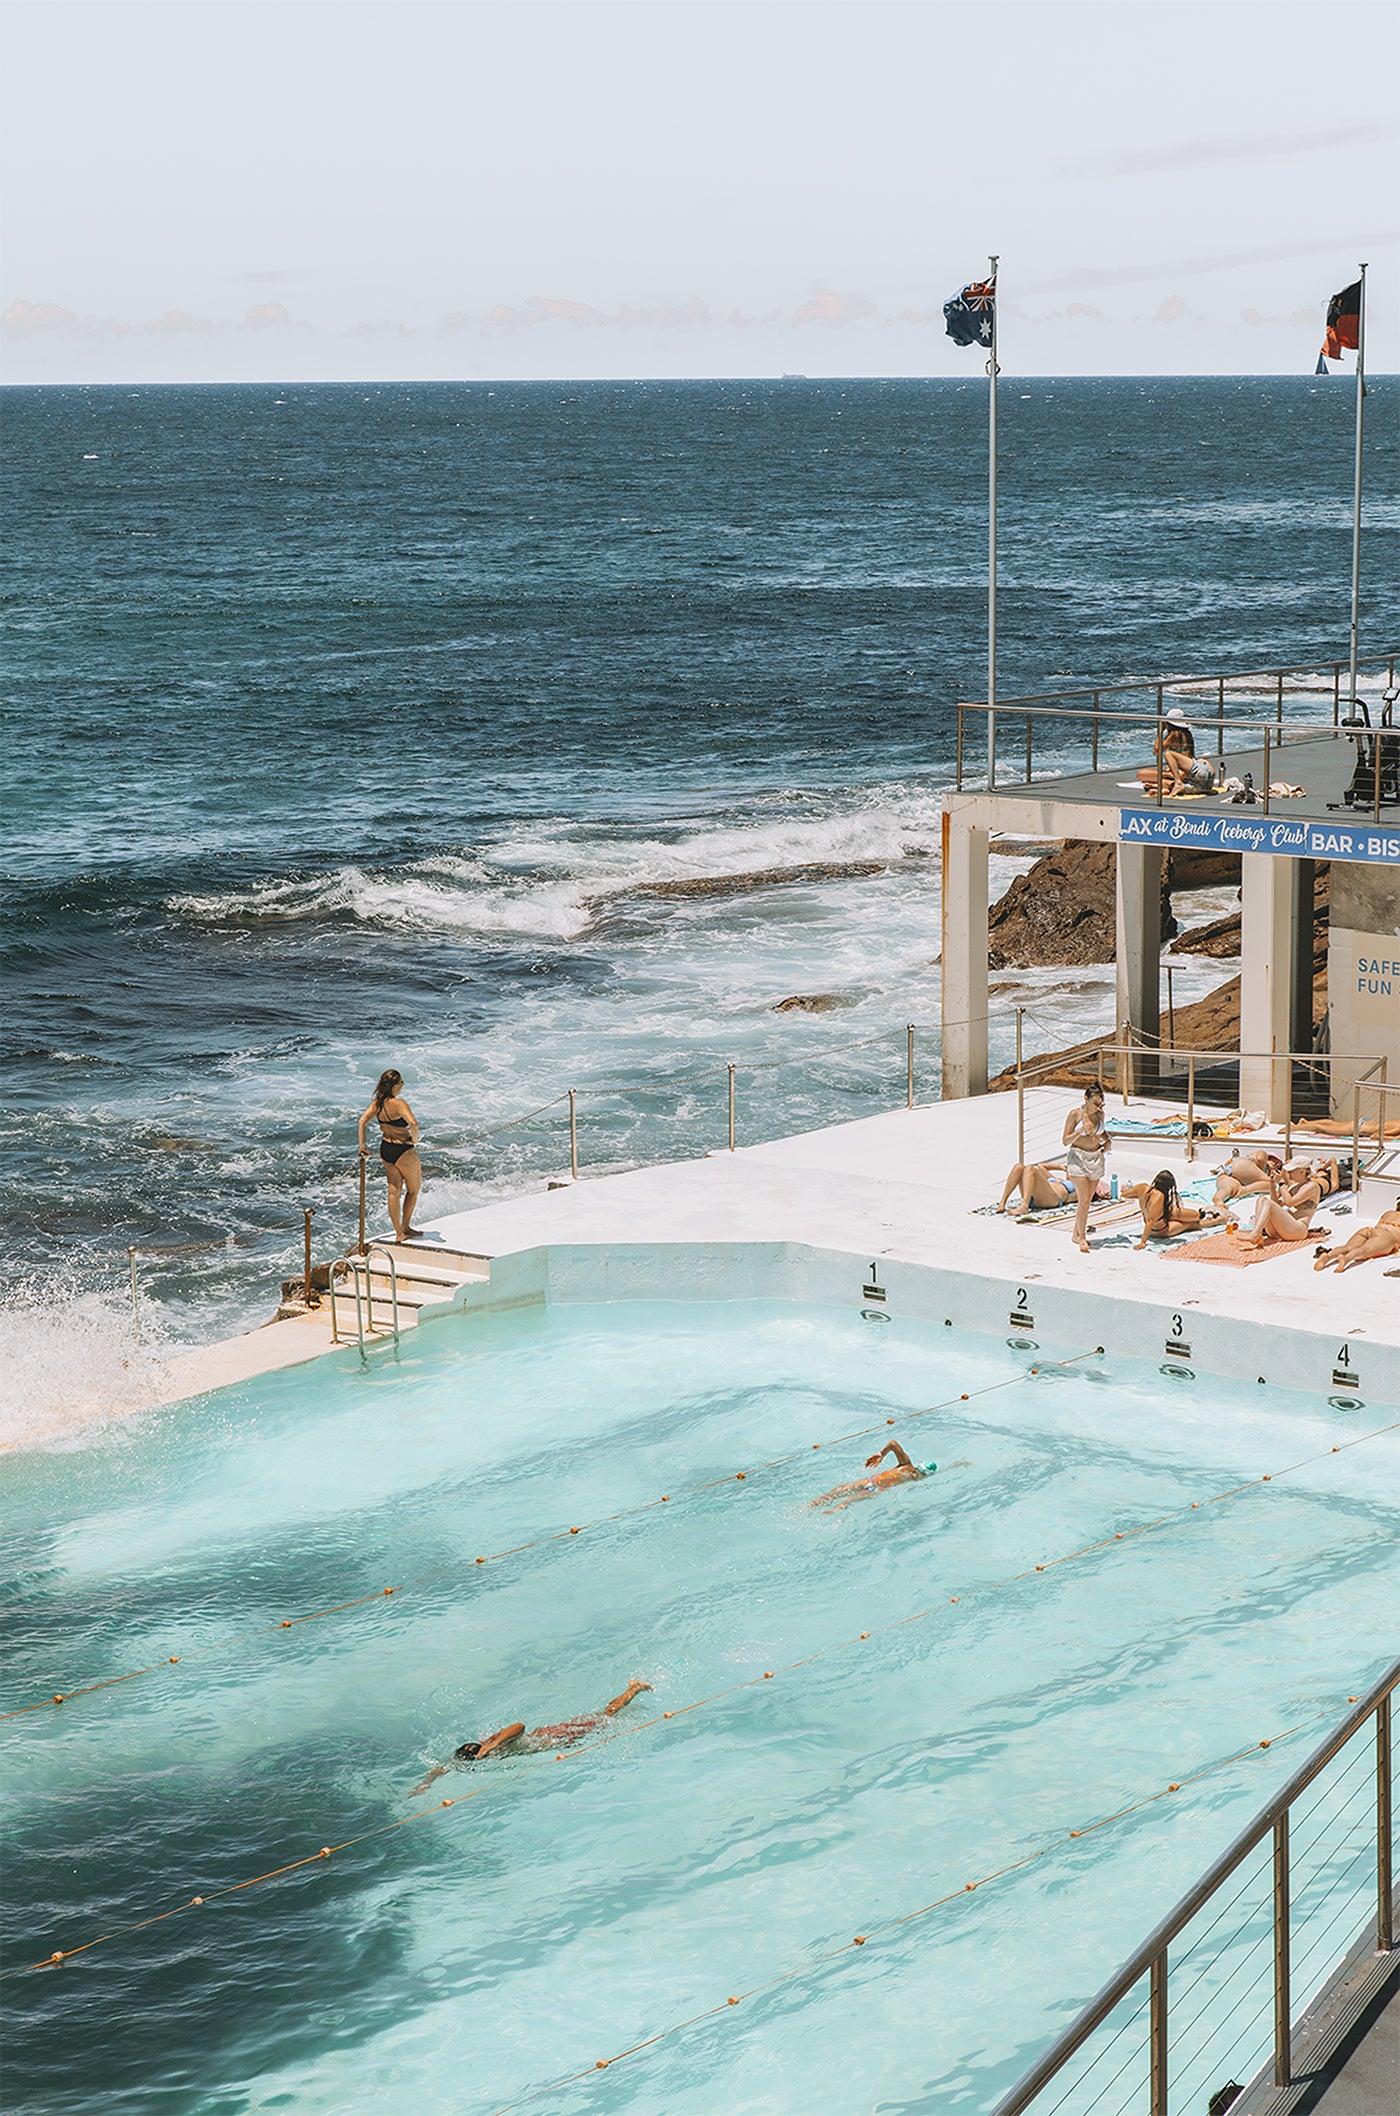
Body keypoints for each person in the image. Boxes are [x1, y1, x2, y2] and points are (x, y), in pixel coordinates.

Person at [410, 1678, 652, 1791]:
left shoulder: (495, 1745)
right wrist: (426, 1782)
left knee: (608, 1715)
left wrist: (492, 1748)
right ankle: (632, 1688)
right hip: (555, 1738)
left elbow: (519, 1726)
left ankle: (634, 1688)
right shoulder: (481, 1747)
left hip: (562, 1735)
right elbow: (448, 1765)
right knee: (605, 1715)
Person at [357, 1067, 424, 1242]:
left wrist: (362, 1146)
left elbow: (362, 1121)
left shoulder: (377, 1104)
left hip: (386, 1148)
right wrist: (414, 1140)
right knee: (413, 1190)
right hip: (403, 1150)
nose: (402, 1086)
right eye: (400, 1083)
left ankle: (398, 1232)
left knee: (393, 1191)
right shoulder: (399, 1104)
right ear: (394, 1086)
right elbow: (413, 1123)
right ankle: (405, 1227)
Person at [812, 1440, 934, 1512]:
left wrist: (881, 1454)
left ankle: (812, 1505)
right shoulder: (913, 1476)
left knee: (840, 1490)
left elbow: (893, 1443)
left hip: (871, 1480)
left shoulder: (906, 1465)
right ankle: (835, 1510)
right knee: (847, 1501)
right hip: (875, 1488)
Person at [1063, 1082, 1111, 1254]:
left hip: (1096, 1157)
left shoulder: (1100, 1115)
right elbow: (1065, 1141)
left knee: (1087, 1201)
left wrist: (1108, 1141)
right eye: (1095, 1103)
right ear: (1086, 1099)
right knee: (1083, 1200)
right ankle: (1082, 1238)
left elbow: (1103, 1133)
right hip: (1078, 1158)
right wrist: (1081, 1130)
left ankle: (1076, 1234)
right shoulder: (1075, 1115)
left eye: (1101, 1103)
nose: (1098, 1107)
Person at [1237, 1168, 1329, 1249]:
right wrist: (1272, 1185)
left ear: (1302, 1172)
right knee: (1261, 1199)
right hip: (1285, 1229)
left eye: (1292, 1171)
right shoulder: (1293, 1187)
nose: (1289, 1173)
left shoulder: (1312, 1186)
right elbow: (1276, 1204)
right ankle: (1258, 1233)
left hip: (1298, 1230)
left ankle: (1255, 1233)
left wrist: (1282, 1184)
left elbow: (1291, 1202)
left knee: (1268, 1203)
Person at [1129, 1170, 1224, 1249]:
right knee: (1191, 1224)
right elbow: (1150, 1221)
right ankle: (1218, 1220)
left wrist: (1135, 1195)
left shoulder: (1142, 1188)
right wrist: (1143, 1242)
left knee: (1194, 1215)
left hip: (1162, 1217)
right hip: (1161, 1230)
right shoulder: (1159, 1197)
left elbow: (1125, 1194)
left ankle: (1201, 1215)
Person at [1137, 709, 1210, 796]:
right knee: (1162, 780)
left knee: (1141, 774)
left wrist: (1160, 731)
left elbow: (1156, 751)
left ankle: (1168, 780)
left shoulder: (1174, 734)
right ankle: (1161, 786)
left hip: (1179, 772)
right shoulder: (1187, 734)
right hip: (1187, 770)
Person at [1313, 1205, 1400, 1274]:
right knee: (1364, 1250)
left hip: (1370, 1230)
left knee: (1348, 1247)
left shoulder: (1389, 1213)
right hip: (1387, 1236)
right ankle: (1347, 1258)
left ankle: (1328, 1256)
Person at [1212, 1150, 1281, 1208]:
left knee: (1228, 1189)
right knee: (1271, 1185)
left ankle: (1218, 1200)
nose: (1275, 1168)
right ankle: (1244, 1190)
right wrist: (1265, 1176)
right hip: (1241, 1165)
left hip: (1224, 1174)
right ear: (1271, 1158)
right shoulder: (1262, 1155)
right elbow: (1260, 1158)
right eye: (1276, 1165)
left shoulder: (1260, 1174)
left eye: (1278, 1169)